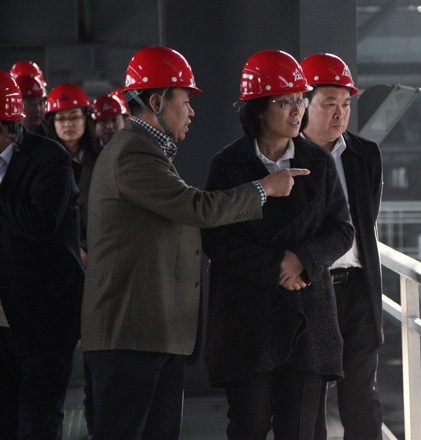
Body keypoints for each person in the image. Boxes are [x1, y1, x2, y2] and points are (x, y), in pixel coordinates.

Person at [80, 46, 306, 440]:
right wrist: (263, 189)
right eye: (185, 101)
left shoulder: (149, 151)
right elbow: (194, 207)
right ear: (157, 102)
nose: (192, 112)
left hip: (152, 332)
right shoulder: (133, 153)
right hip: (130, 335)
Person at [201, 49, 354, 440]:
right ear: (257, 109)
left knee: (300, 429)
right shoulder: (228, 164)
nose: (297, 111)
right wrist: (275, 267)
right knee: (249, 427)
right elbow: (215, 237)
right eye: (285, 102)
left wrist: (301, 259)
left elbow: (342, 229)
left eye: (300, 100)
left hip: (308, 315)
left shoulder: (318, 162)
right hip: (248, 318)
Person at [301, 53, 385, 440]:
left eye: (346, 104)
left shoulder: (366, 155)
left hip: (359, 289)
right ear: (304, 104)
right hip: (310, 287)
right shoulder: (286, 156)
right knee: (308, 398)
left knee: (361, 398)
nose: (340, 113)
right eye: (329, 103)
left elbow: (365, 220)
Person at [0, 71, 84, 440]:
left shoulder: (49, 158)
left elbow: (40, 224)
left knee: (38, 424)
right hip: (2, 320)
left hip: (44, 318)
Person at [45, 83, 100, 267]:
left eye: (74, 117)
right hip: (51, 254)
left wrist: (86, 248)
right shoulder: (42, 164)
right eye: (61, 118)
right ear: (52, 123)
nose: (68, 124)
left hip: (92, 255)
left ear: (86, 119)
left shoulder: (101, 162)